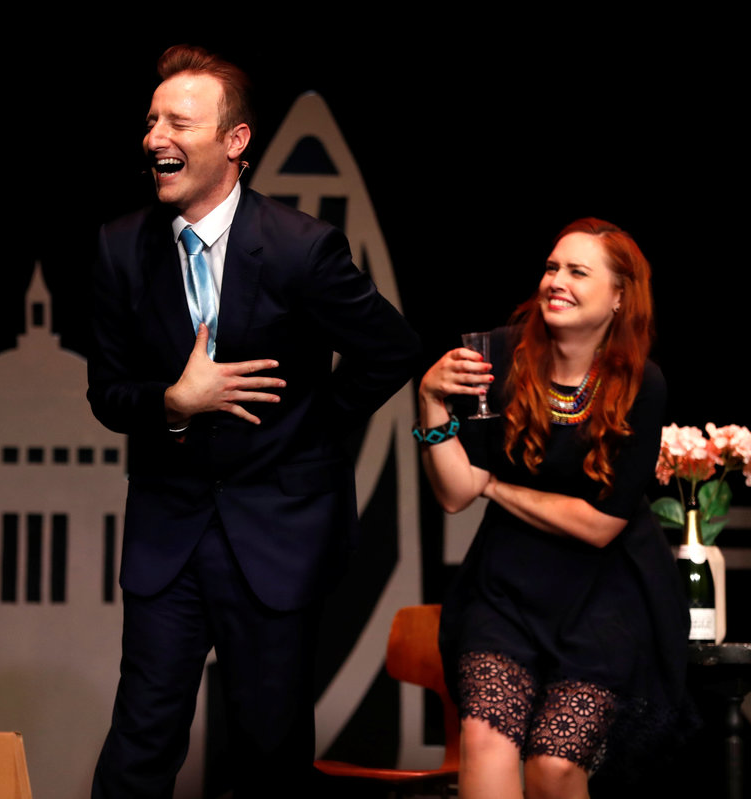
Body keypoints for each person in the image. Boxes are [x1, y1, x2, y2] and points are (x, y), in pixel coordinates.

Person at [87, 44, 420, 797]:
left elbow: (391, 349)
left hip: (277, 532)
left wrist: (307, 428)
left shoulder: (301, 248)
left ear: (235, 141)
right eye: (151, 121)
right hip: (168, 533)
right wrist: (174, 403)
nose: (155, 137)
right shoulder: (120, 248)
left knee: (270, 752)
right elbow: (107, 393)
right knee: (140, 743)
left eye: (178, 122)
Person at [417, 218, 689, 798]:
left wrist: (495, 487)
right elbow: (455, 493)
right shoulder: (498, 355)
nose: (556, 281)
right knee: (485, 738)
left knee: (554, 765)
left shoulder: (642, 382)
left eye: (577, 271)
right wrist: (431, 401)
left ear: (619, 297)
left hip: (605, 598)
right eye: (551, 267)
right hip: (505, 591)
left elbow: (599, 525)